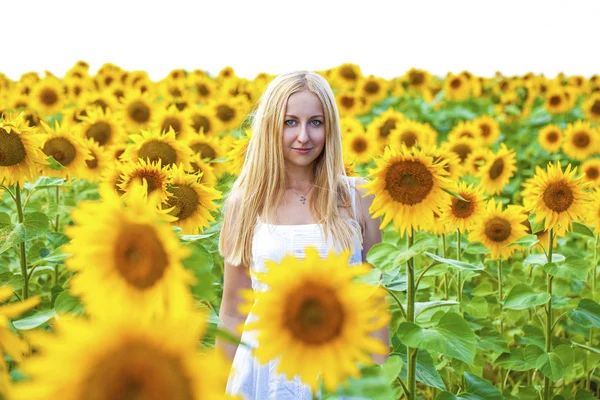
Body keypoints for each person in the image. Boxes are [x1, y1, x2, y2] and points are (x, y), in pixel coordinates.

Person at [217, 70, 389, 399]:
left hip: (340, 361)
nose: (303, 137)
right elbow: (233, 309)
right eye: (290, 122)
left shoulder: (358, 198)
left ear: (330, 127)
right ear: (271, 126)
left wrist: (378, 380)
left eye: (316, 122)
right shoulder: (246, 202)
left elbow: (373, 299)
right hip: (264, 367)